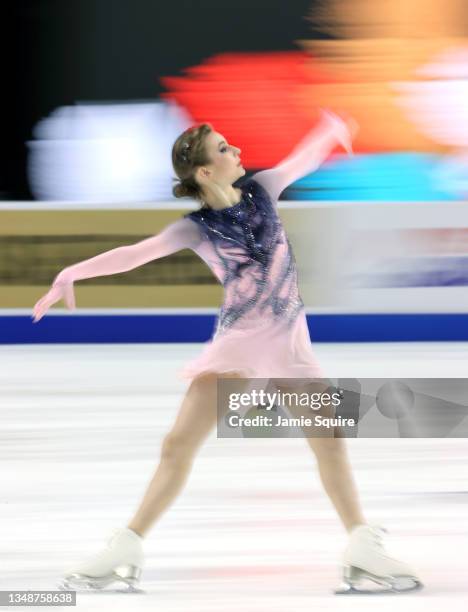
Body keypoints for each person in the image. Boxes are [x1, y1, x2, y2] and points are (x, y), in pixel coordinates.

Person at [32, 111, 422, 594]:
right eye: (222, 148)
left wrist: (329, 130)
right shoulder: (196, 228)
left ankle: (362, 548)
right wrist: (72, 272)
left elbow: (300, 162)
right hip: (244, 343)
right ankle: (125, 547)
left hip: (290, 339)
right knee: (179, 445)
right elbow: (136, 253)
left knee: (330, 440)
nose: (235, 151)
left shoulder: (263, 188)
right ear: (204, 172)